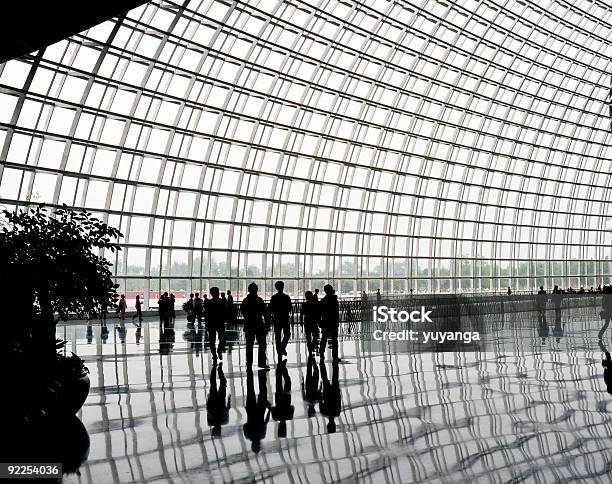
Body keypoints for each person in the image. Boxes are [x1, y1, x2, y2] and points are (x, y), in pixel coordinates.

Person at [241, 282, 270, 369]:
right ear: (256, 290)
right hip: (259, 324)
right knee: (262, 344)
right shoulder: (259, 300)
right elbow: (265, 313)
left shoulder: (245, 301)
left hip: (249, 324)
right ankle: (261, 362)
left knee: (249, 344)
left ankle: (249, 362)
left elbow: (243, 312)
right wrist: (267, 324)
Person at [243, 368, 270, 453]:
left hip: (260, 410)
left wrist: (269, 410)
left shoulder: (262, 435)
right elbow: (245, 426)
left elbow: (266, 421)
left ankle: (261, 374)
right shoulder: (248, 436)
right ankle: (249, 371)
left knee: (262, 389)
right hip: (250, 411)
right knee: (250, 388)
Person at [269, 280, 292, 359]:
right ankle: (282, 348)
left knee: (277, 336)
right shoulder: (286, 297)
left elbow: (270, 309)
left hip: (277, 319)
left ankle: (279, 350)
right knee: (287, 334)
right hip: (285, 318)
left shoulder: (274, 297)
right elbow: (290, 308)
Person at [271, 360, 294, 438]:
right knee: (278, 380)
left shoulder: (289, 416)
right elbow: (273, 408)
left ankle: (283, 367)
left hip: (287, 398)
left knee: (287, 381)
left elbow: (292, 407)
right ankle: (279, 367)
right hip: (278, 399)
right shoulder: (275, 417)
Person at [207, 363, 231, 437]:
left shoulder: (225, 421)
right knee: (213, 383)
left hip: (220, 401)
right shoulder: (210, 422)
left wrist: (229, 400)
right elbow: (208, 410)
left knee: (222, 383)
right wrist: (208, 400)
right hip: (213, 401)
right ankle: (215, 368)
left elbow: (227, 409)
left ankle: (218, 369)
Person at [319, 284, 340, 362]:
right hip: (333, 322)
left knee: (324, 338)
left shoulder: (323, 300)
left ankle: (321, 353)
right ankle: (335, 356)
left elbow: (320, 312)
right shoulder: (334, 300)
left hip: (325, 322)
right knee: (334, 339)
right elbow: (336, 312)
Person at [320, 359, 341, 433]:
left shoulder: (337, 413)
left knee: (335, 376)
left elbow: (339, 401)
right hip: (327, 394)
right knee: (325, 378)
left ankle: (335, 362)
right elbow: (320, 402)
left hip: (334, 392)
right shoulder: (324, 413)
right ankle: (321, 362)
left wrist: (338, 392)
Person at [206, 287, 227, 362]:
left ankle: (214, 354)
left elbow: (207, 314)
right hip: (220, 322)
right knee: (223, 338)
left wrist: (207, 324)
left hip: (211, 323)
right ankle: (219, 350)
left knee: (212, 340)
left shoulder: (208, 302)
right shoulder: (222, 301)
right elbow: (225, 312)